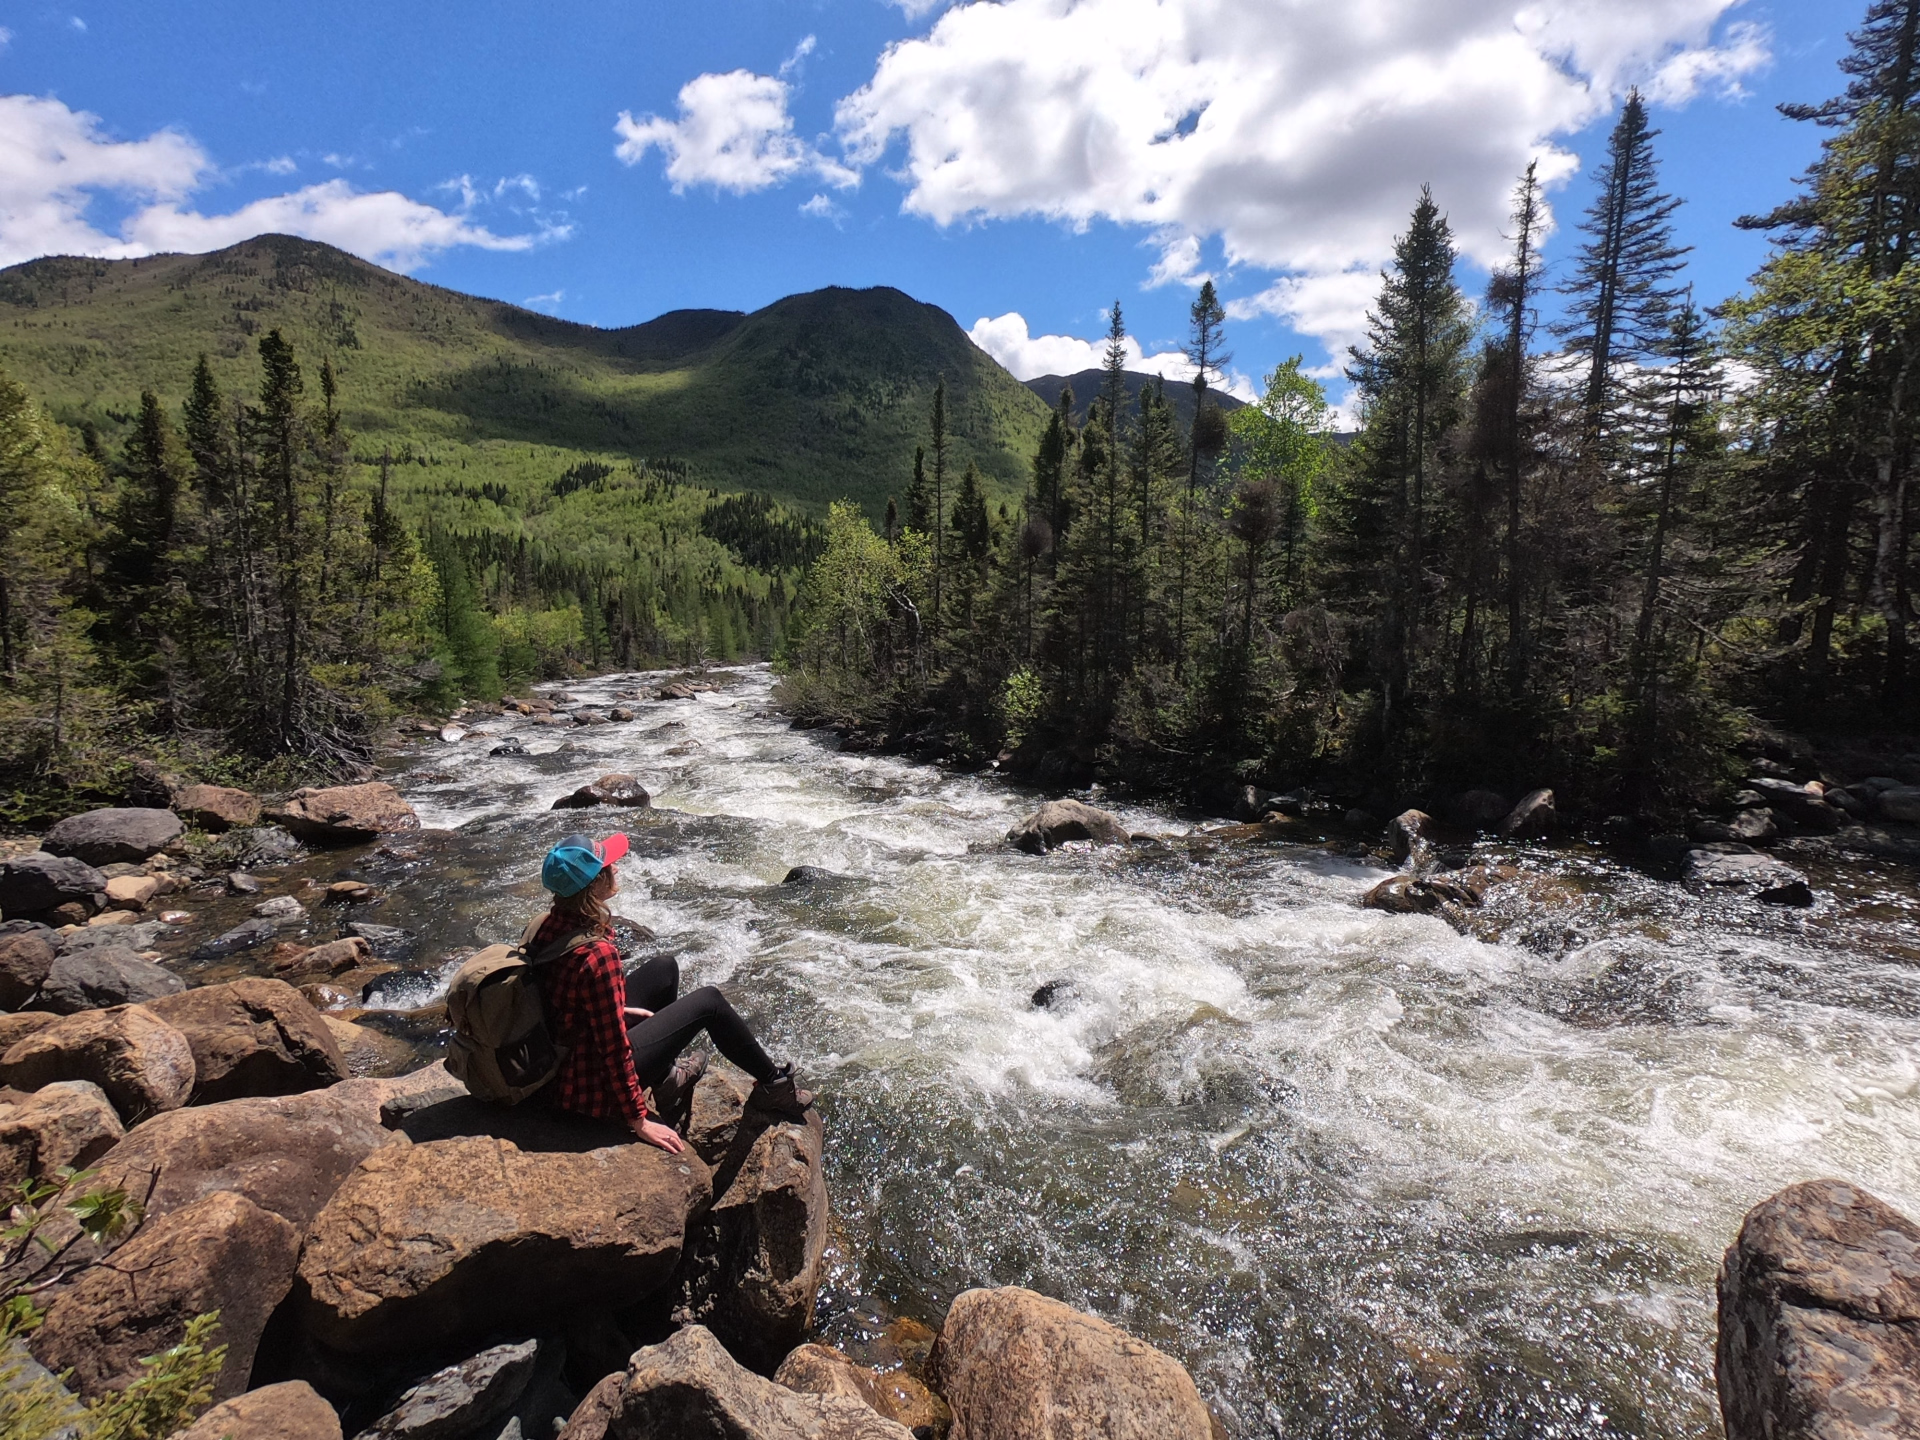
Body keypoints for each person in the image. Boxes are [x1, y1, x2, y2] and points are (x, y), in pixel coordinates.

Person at [532, 832, 812, 1153]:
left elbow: (557, 998)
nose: (617, 869)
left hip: (564, 1056)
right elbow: (613, 1051)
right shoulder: (597, 955)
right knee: (710, 1002)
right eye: (609, 865)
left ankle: (665, 1082)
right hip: (588, 1083)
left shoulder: (547, 925)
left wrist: (613, 1010)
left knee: (664, 968)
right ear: (593, 885)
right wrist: (639, 1118)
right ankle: (775, 1086)